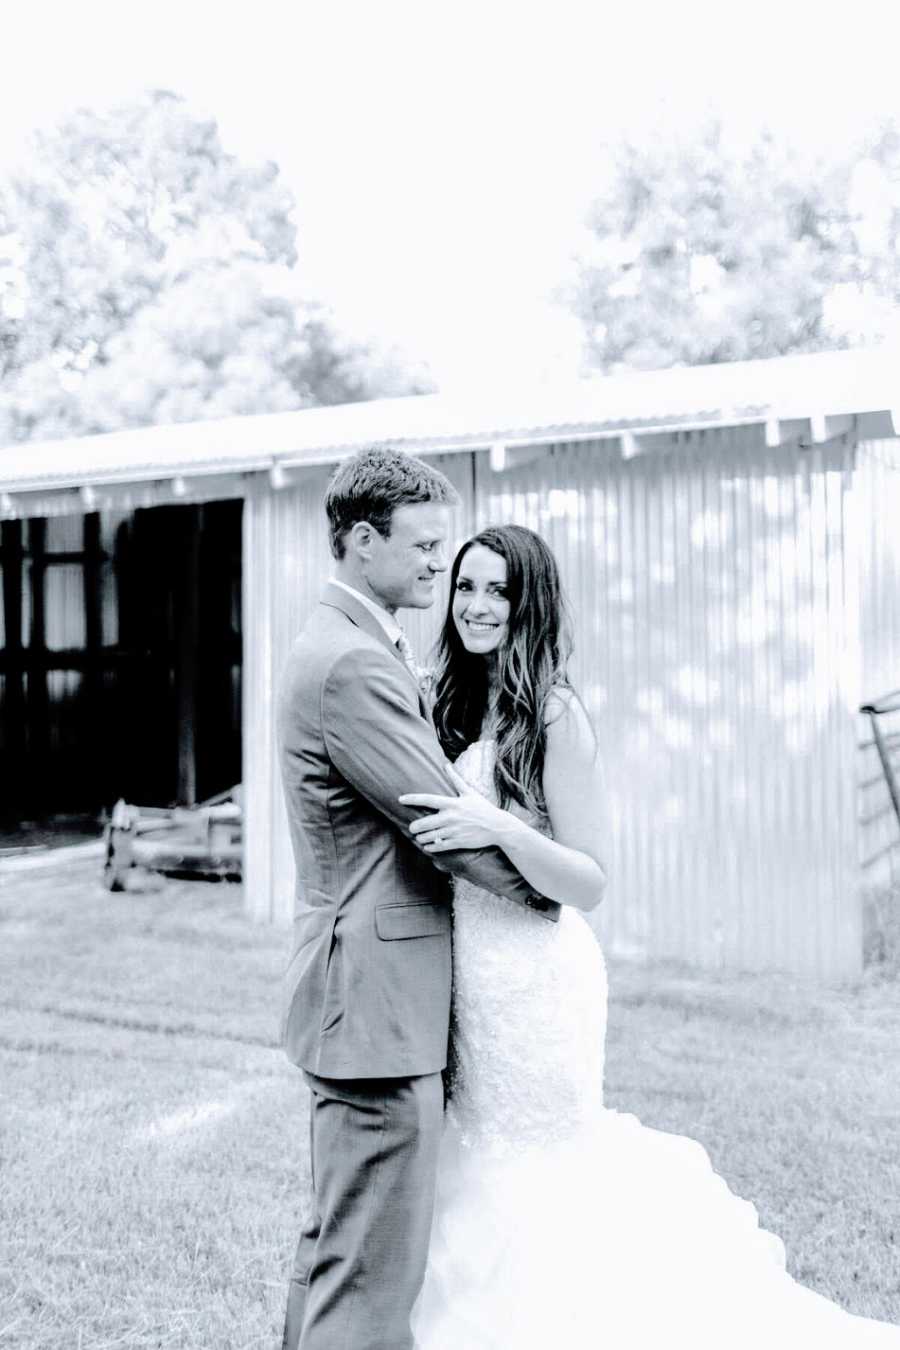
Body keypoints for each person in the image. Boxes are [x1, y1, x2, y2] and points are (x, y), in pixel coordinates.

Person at [397, 523, 900, 1349]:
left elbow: (588, 880)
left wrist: (497, 825)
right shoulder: (444, 700)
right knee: (477, 1155)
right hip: (470, 976)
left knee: (538, 1162)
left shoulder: (554, 714)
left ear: (530, 605)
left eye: (499, 591)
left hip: (537, 976)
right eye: (465, 587)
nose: (477, 606)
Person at [276, 452, 559, 1350]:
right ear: (364, 543)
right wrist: (550, 899)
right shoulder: (352, 663)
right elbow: (439, 819)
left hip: (366, 998)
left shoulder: (349, 642)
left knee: (339, 1252)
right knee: (369, 1281)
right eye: (426, 545)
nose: (441, 564)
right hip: (376, 1009)